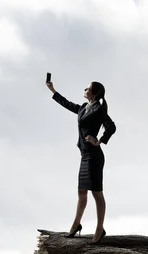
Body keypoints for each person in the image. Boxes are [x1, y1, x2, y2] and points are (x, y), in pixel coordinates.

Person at [46, 79, 116, 244]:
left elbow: (111, 126)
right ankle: (76, 224)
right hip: (85, 156)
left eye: (88, 88)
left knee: (96, 193)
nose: (85, 89)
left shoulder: (99, 109)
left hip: (95, 156)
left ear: (94, 93)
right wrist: (53, 90)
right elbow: (68, 104)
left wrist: (99, 140)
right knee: (81, 192)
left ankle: (100, 228)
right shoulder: (84, 108)